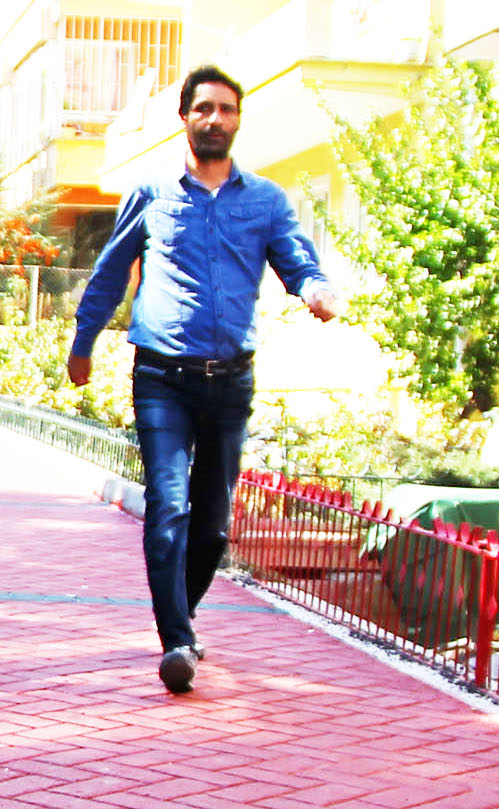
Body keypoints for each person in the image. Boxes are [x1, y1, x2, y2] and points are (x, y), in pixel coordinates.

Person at [67, 65, 342, 696]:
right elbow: (112, 272)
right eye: (204, 110)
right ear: (185, 117)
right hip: (163, 375)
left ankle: (180, 618)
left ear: (238, 120)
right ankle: (177, 643)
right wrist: (83, 341)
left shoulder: (265, 201)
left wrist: (317, 289)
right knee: (168, 505)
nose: (215, 120)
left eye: (226, 110)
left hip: (230, 383)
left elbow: (297, 260)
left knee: (214, 524)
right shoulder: (152, 192)